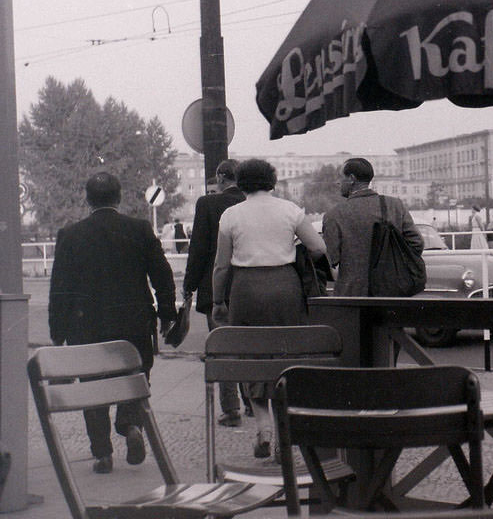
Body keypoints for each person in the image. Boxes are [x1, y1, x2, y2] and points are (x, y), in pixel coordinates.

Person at [48, 172, 177, 474]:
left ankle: (102, 453)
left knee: (92, 386)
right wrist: (167, 314)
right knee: (136, 375)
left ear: (88, 199)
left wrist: (58, 330)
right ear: (119, 197)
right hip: (134, 323)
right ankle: (131, 424)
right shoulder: (140, 229)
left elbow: (60, 287)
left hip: (86, 326)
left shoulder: (70, 234)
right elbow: (162, 274)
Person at [211, 158, 326, 459]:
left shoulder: (231, 215)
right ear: (272, 180)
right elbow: (318, 248)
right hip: (285, 287)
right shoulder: (290, 210)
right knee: (286, 356)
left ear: (242, 182)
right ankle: (285, 436)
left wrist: (218, 301)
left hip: (245, 290)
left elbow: (222, 266)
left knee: (252, 355)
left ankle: (263, 427)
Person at [182, 158, 246, 427]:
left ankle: (231, 410)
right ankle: (255, 404)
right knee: (250, 346)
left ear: (220, 178)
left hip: (216, 286)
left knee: (223, 348)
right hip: (248, 286)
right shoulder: (249, 203)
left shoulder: (207, 204)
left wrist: (189, 285)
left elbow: (198, 248)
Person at [321, 157, 423, 297]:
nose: (338, 182)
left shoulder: (334, 215)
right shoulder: (394, 205)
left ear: (351, 179)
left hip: (352, 295)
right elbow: (416, 243)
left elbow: (331, 258)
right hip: (392, 292)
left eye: (341, 177)